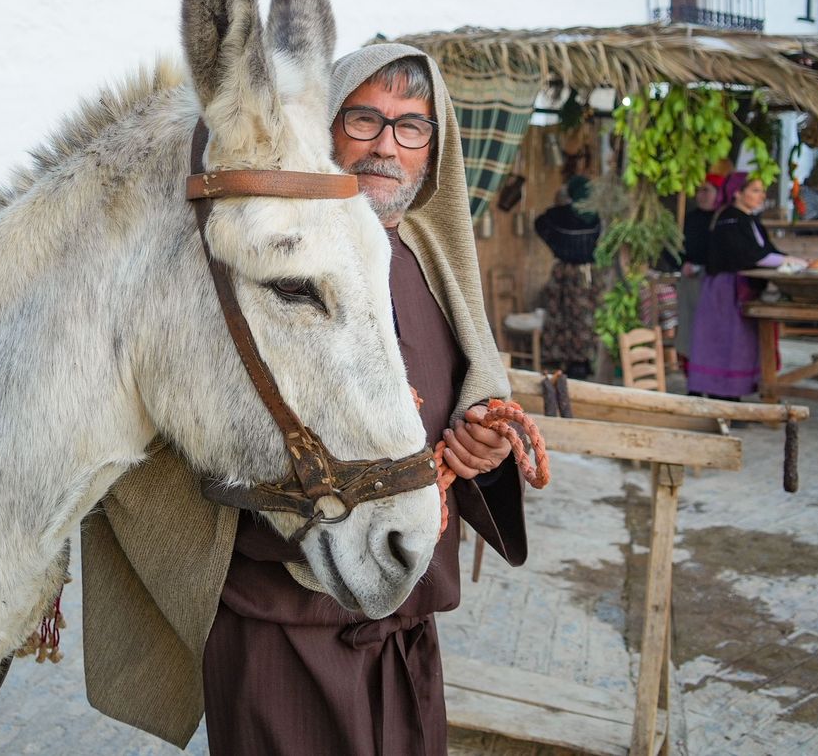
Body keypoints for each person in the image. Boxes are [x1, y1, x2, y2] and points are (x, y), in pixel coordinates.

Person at [83, 43, 526, 755]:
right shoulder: (266, 263)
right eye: (365, 120)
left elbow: (465, 403)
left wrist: (484, 449)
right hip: (282, 628)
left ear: (433, 150)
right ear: (325, 130)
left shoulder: (434, 269)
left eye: (411, 127)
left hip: (408, 632)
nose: (387, 145)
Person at [686, 173, 805, 399]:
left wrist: (792, 260)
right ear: (737, 193)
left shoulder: (750, 220)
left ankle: (735, 396)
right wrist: (788, 261)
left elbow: (768, 250)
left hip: (742, 291)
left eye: (761, 191)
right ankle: (723, 399)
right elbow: (748, 255)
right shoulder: (729, 219)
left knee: (740, 346)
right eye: (755, 190)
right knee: (724, 345)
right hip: (724, 291)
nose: (761, 196)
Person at [534, 174, 602, 378]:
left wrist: (556, 246)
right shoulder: (594, 216)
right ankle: (580, 362)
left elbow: (540, 223)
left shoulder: (558, 215)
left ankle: (559, 360)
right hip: (586, 274)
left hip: (563, 272)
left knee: (560, 314)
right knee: (583, 318)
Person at [674, 180, 720, 362]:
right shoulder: (691, 218)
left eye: (706, 190)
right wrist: (683, 263)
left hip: (715, 281)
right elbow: (681, 248)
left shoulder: (722, 218)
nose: (701, 195)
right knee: (689, 328)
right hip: (691, 280)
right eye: (699, 191)